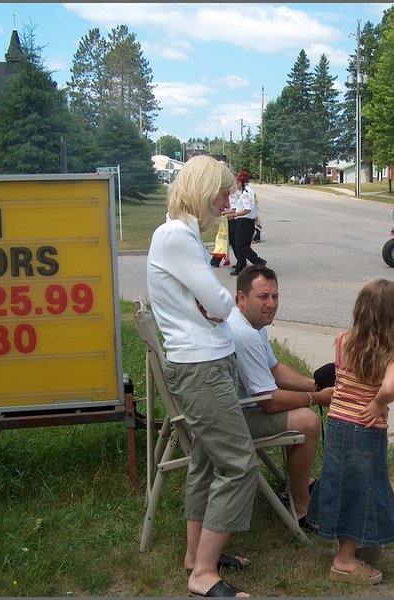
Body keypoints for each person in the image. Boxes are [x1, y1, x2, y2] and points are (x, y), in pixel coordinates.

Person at [146, 155, 257, 598]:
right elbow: (219, 302)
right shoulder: (176, 236)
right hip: (201, 366)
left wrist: (215, 306)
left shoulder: (181, 235)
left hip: (205, 361)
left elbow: (213, 304)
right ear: (203, 187)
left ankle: (197, 554)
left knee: (208, 462)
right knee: (238, 463)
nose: (227, 201)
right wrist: (218, 306)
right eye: (223, 192)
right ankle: (203, 574)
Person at [306, 278, 394, 586]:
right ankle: (345, 560)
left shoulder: (343, 341)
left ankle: (351, 539)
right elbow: (389, 388)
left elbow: (340, 378)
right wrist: (378, 402)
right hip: (366, 431)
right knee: (362, 489)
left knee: (341, 481)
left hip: (337, 424)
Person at [227, 265, 334, 526]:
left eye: (275, 296)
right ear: (242, 298)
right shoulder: (245, 335)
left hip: (236, 409)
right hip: (232, 420)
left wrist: (314, 385)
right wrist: (317, 399)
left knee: (300, 413)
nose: (271, 304)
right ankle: (301, 509)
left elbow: (274, 369)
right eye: (263, 297)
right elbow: (271, 402)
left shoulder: (250, 323)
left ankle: (295, 484)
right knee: (307, 421)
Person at [226, 171, 265, 275]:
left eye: (237, 182)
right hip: (248, 222)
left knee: (241, 246)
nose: (236, 185)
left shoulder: (245, 194)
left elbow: (247, 209)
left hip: (244, 221)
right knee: (243, 245)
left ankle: (258, 261)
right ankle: (241, 266)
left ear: (241, 182)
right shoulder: (250, 191)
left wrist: (234, 215)